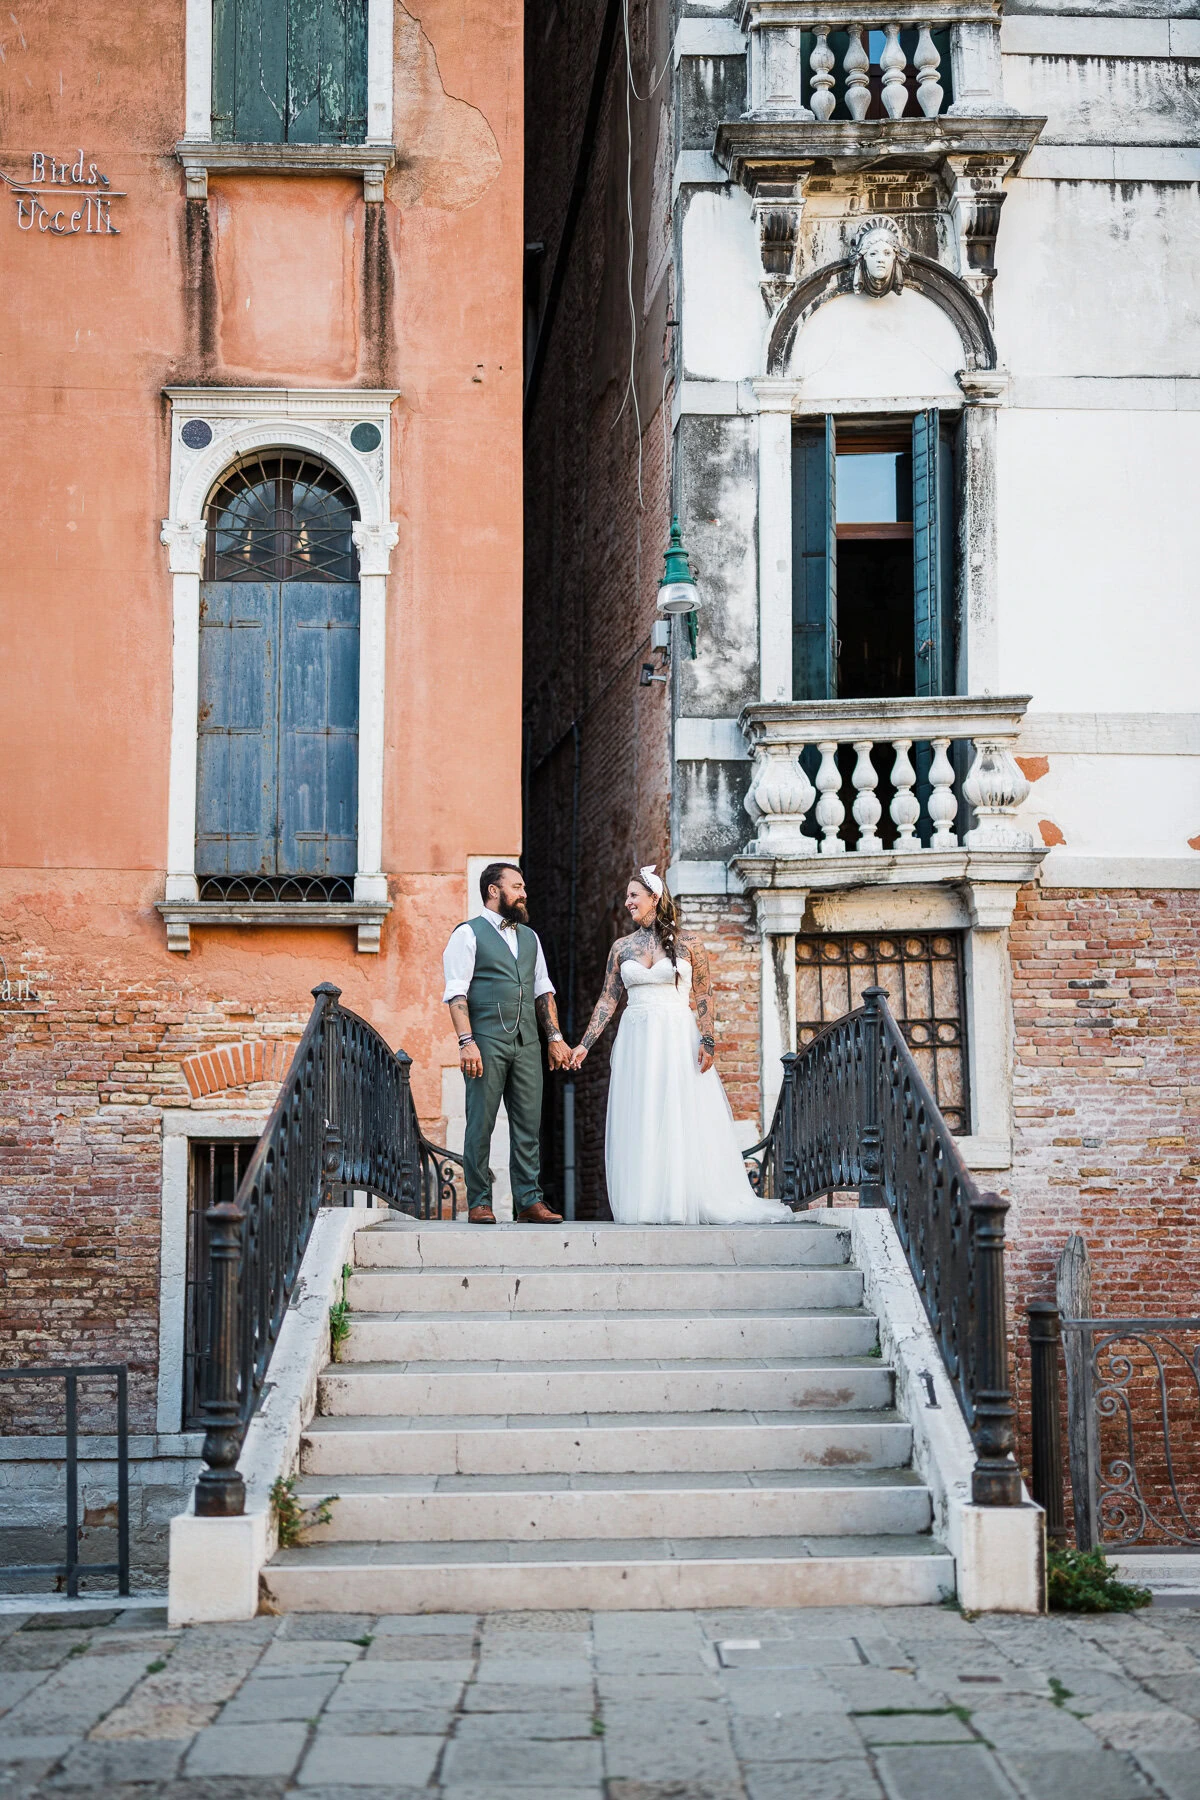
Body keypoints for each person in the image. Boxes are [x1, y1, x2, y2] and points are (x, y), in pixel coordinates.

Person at [569, 867, 795, 1225]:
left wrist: (708, 1039)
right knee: (643, 1113)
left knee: (676, 1110)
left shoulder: (690, 943)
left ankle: (680, 1199)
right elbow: (607, 1000)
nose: (627, 902)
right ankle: (648, 1202)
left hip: (675, 1033)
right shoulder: (621, 947)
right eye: (627, 896)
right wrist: (584, 1045)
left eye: (633, 896)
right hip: (637, 1037)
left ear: (654, 898)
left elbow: (703, 993)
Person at [443, 863, 571, 1224]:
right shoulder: (467, 934)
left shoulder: (531, 937)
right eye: (516, 886)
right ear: (493, 891)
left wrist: (555, 1039)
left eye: (523, 886)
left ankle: (529, 1201)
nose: (524, 893)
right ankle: (480, 1201)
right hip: (485, 1041)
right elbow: (456, 993)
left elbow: (543, 989)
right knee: (480, 1122)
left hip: (528, 1041)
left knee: (529, 1123)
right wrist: (466, 1042)